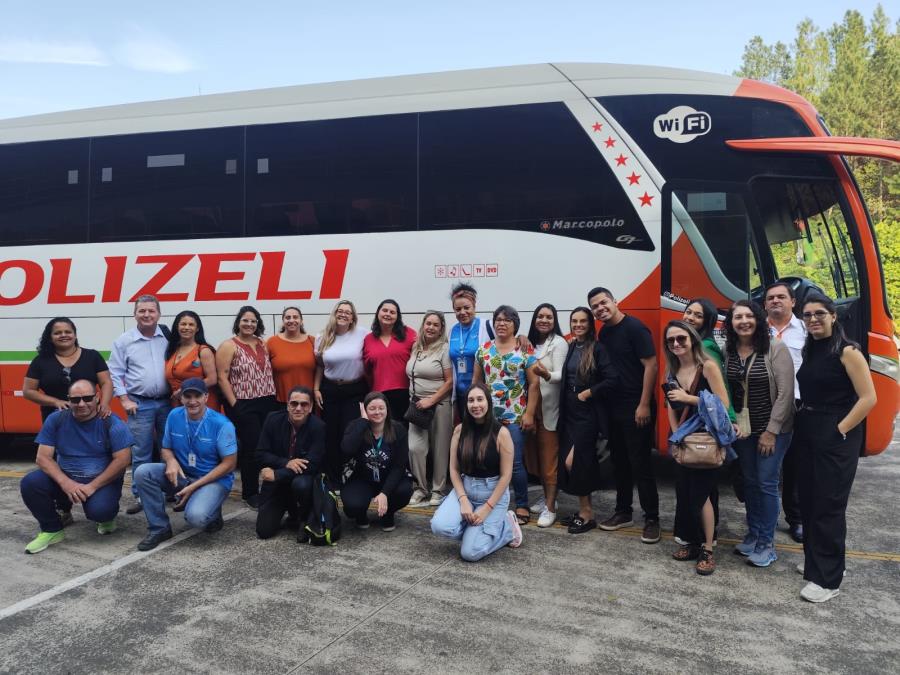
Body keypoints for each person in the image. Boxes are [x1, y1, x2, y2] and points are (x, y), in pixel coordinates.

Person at [794, 294, 875, 603]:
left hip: (836, 432)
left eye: (819, 313)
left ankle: (828, 580)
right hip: (809, 427)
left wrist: (839, 429)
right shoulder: (812, 349)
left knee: (829, 504)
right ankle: (818, 562)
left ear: (833, 316)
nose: (813, 319)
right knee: (810, 501)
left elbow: (868, 398)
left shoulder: (848, 351)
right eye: (807, 315)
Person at [19, 379, 133, 554]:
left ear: (97, 398)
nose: (81, 404)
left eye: (87, 398)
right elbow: (42, 458)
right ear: (68, 400)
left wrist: (92, 486)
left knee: (100, 511)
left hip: (100, 482)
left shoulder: (112, 423)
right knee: (30, 483)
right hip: (67, 478)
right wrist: (67, 484)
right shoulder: (56, 419)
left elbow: (122, 461)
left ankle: (106, 518)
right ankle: (52, 530)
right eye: (75, 399)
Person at [724, 300, 795, 568]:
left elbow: (786, 394)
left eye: (748, 316)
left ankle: (767, 543)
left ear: (758, 319)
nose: (743, 321)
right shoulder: (729, 351)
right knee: (751, 482)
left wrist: (771, 431)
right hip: (744, 430)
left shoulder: (776, 348)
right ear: (730, 323)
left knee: (766, 484)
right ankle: (754, 534)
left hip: (772, 431)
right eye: (737, 317)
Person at [589, 287, 660, 543]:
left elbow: (651, 365)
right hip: (613, 408)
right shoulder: (605, 332)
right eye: (595, 306)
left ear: (614, 301)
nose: (600, 308)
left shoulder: (635, 328)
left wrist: (644, 404)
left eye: (603, 302)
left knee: (641, 464)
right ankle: (623, 512)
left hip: (636, 406)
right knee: (620, 463)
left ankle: (652, 518)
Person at [133, 378, 238, 551]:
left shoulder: (222, 424)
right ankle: (160, 528)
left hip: (212, 480)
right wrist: (171, 461)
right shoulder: (174, 415)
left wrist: (194, 487)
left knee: (196, 517)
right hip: (183, 476)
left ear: (206, 397)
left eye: (197, 396)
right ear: (181, 398)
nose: (192, 401)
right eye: (187, 396)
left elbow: (230, 464)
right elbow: (165, 448)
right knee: (143, 472)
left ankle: (212, 512)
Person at [663, 322, 731, 575]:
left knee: (703, 495)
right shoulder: (672, 370)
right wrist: (675, 436)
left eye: (681, 338)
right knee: (685, 492)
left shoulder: (708, 366)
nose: (676, 344)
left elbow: (723, 403)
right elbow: (671, 405)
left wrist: (690, 398)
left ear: (692, 339)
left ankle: (708, 548)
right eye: (671, 341)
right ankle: (691, 542)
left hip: (706, 438)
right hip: (683, 440)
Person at [430, 383, 523, 560]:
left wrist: (487, 509)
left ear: (488, 402)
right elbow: (454, 470)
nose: (475, 405)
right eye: (471, 400)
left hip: (493, 493)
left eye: (480, 399)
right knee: (439, 526)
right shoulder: (459, 430)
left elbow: (506, 476)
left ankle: (506, 528)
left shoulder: (502, 433)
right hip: (466, 489)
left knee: (469, 553)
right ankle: (475, 532)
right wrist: (463, 500)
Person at [557, 307, 619, 534]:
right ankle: (583, 510)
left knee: (576, 462)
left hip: (587, 413)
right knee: (568, 462)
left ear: (590, 324)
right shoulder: (573, 345)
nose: (578, 325)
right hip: (570, 411)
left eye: (583, 321)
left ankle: (587, 514)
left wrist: (589, 392)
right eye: (574, 321)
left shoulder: (598, 348)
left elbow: (613, 379)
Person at [108, 294, 171, 514]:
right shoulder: (124, 341)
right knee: (141, 452)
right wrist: (124, 399)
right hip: (139, 404)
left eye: (151, 311)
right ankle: (141, 495)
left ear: (159, 314)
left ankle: (169, 490)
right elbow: (115, 373)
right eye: (142, 311)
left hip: (166, 404)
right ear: (135, 314)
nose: (146, 315)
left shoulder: (167, 337)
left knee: (168, 449)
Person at [681, 297, 735, 538]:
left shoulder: (707, 348)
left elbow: (721, 394)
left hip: (705, 427)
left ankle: (706, 542)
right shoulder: (685, 348)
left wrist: (731, 420)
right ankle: (695, 537)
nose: (690, 317)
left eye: (697, 315)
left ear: (708, 321)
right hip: (689, 426)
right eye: (688, 312)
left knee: (703, 488)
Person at [216, 305, 278, 509]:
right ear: (238, 322)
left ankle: (269, 487)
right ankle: (250, 492)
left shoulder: (263, 343)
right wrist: (235, 405)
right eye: (245, 320)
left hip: (267, 400)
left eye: (253, 321)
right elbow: (222, 377)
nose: (249, 324)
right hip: (244, 402)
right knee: (251, 448)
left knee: (268, 445)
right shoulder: (228, 345)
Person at [764, 281, 807, 543]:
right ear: (764, 304)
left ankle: (796, 518)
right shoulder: (755, 331)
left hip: (798, 405)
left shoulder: (806, 330)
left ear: (793, 302)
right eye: (771, 298)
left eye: (781, 297)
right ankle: (760, 515)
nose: (776, 301)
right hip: (763, 405)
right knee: (762, 466)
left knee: (794, 465)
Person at [255, 386, 326, 542]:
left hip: (300, 480)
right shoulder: (272, 419)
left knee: (302, 484)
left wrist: (277, 473)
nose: (298, 408)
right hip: (277, 484)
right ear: (287, 405)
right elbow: (260, 454)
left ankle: (303, 518)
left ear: (311, 407)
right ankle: (289, 511)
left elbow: (312, 465)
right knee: (263, 531)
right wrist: (286, 462)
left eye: (304, 404)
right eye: (294, 403)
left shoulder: (318, 427)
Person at [339, 392, 413, 531]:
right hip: (361, 479)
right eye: (372, 408)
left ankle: (387, 513)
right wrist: (363, 422)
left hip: (388, 478)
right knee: (353, 506)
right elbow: (347, 449)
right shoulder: (355, 426)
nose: (377, 412)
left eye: (381, 408)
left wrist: (385, 493)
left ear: (387, 410)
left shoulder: (398, 429)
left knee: (404, 490)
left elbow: (399, 466)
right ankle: (361, 514)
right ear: (365, 411)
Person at [314, 300, 368, 485]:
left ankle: (352, 476)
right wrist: (316, 389)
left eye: (348, 312)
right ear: (334, 313)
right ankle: (333, 478)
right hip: (330, 390)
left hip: (354, 390)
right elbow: (320, 366)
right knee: (331, 434)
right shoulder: (322, 337)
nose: (343, 314)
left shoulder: (362, 334)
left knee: (350, 433)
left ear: (353, 317)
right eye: (340, 311)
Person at [524, 303, 567, 527]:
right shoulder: (529, 344)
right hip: (530, 410)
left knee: (549, 460)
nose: (544, 320)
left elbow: (562, 374)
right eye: (540, 316)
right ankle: (547, 497)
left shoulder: (559, 343)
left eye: (549, 317)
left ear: (554, 320)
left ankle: (550, 508)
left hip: (549, 410)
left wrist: (546, 373)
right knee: (536, 460)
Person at [406, 311, 454, 507]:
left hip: (439, 405)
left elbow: (450, 381)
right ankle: (420, 488)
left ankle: (437, 490)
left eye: (436, 324)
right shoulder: (416, 347)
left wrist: (431, 400)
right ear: (423, 325)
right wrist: (421, 401)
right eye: (428, 323)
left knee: (440, 449)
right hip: (417, 406)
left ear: (441, 328)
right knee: (415, 448)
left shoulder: (444, 349)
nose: (431, 327)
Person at [24, 317, 113, 422]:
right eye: (57, 333)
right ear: (50, 338)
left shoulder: (93, 356)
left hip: (91, 417)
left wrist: (104, 403)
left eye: (68, 332)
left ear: (75, 335)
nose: (63, 335)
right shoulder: (40, 361)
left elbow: (106, 382)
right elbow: (28, 391)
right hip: (55, 419)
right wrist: (56, 402)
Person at [363, 299, 417, 421]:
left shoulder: (409, 333)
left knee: (403, 431)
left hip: (406, 393)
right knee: (385, 432)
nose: (388, 314)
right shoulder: (368, 339)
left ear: (397, 317)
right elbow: (367, 370)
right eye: (385, 310)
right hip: (380, 395)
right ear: (378, 313)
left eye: (392, 312)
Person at [164, 310, 219, 411]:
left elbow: (212, 379)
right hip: (178, 405)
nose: (187, 327)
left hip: (201, 406)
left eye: (191, 325)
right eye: (183, 324)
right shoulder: (173, 350)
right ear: (177, 327)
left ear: (197, 328)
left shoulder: (203, 350)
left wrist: (183, 391)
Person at [267, 306, 316, 404]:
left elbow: (321, 368)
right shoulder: (271, 342)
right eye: (288, 317)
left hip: (307, 402)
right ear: (283, 321)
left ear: (301, 321)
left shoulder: (313, 341)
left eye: (295, 317)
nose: (291, 320)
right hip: (281, 402)